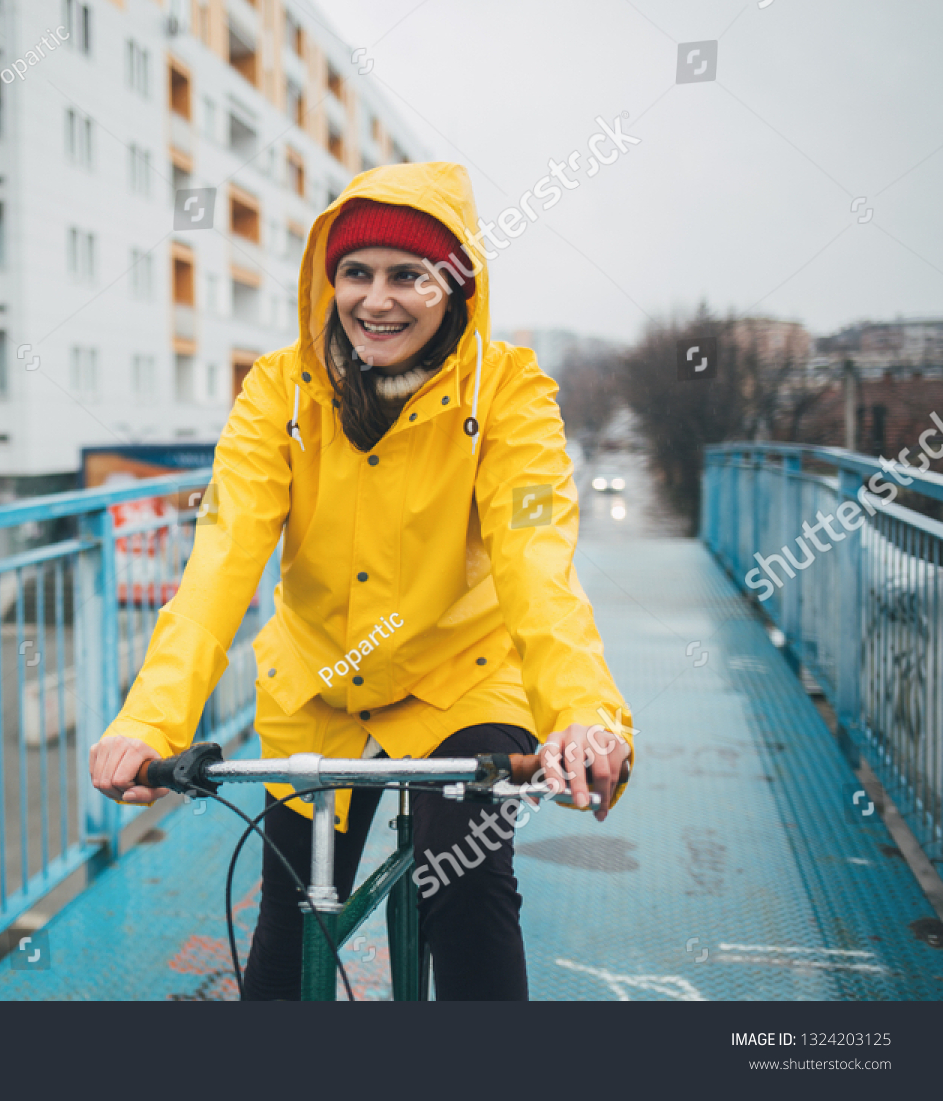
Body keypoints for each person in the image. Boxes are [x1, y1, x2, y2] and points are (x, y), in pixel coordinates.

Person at [89, 161, 634, 1001]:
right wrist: (150, 718)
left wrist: (583, 716)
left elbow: (538, 567)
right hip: (319, 686)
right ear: (327, 279)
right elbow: (220, 560)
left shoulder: (510, 394)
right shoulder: (279, 391)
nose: (376, 300)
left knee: (466, 889)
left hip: (462, 678)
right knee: (292, 922)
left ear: (454, 286)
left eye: (408, 274)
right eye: (355, 272)